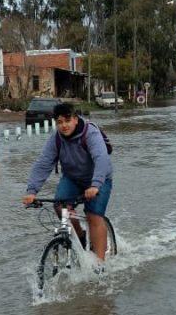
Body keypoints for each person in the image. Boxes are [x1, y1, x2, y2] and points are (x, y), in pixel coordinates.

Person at [22, 103, 113, 260]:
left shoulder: (90, 132)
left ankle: (99, 266)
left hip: (99, 179)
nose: (64, 125)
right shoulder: (56, 139)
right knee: (60, 206)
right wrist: (32, 191)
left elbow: (101, 159)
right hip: (72, 178)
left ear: (75, 119)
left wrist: (95, 185)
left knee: (93, 215)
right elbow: (43, 163)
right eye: (59, 122)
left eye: (67, 120)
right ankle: (80, 238)